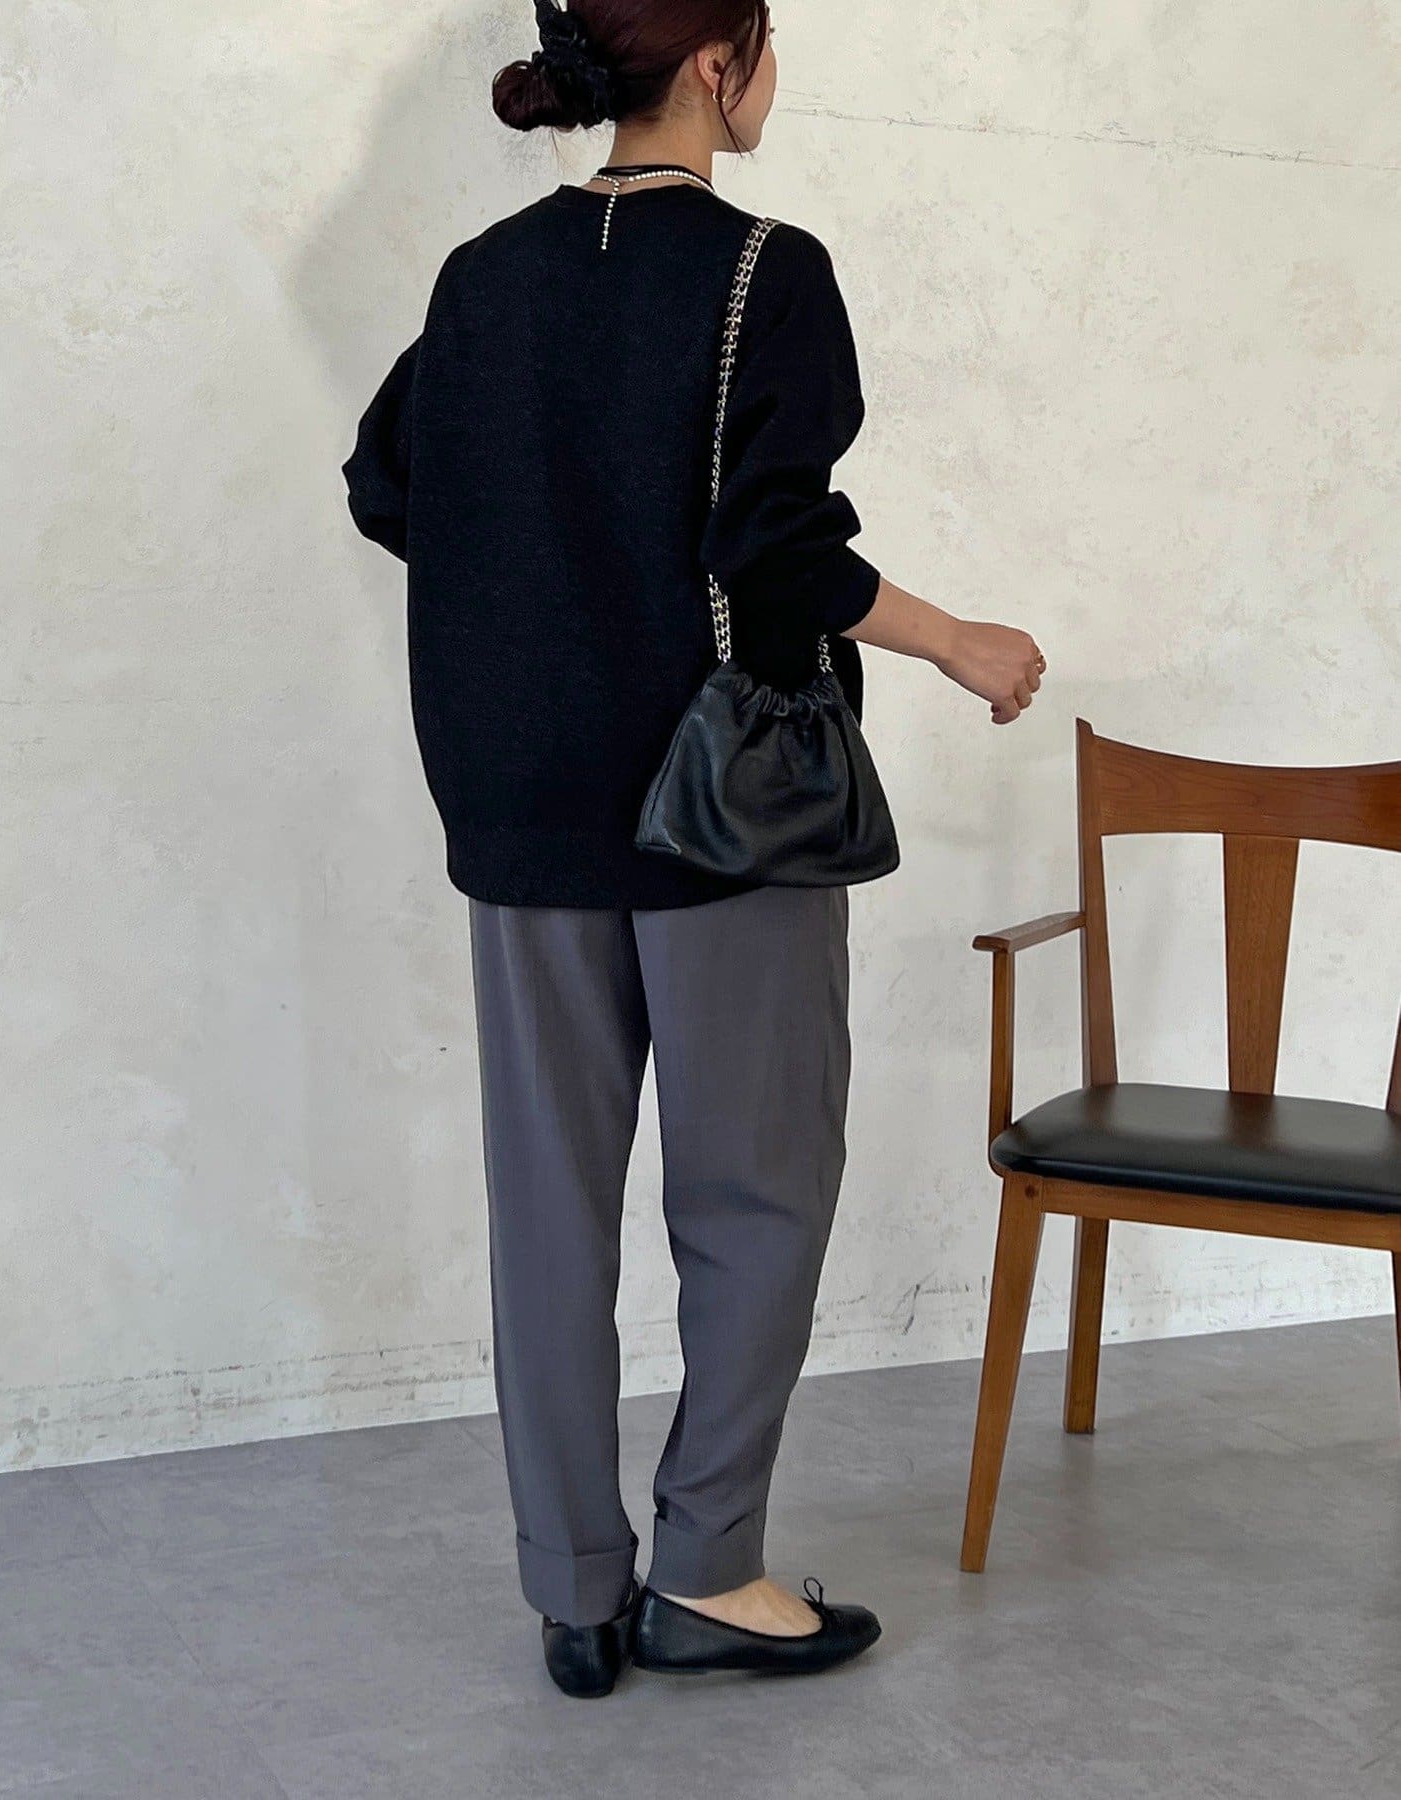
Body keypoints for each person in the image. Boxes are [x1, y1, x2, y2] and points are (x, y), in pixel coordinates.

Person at [342, 0, 1046, 1699]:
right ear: (718, 68)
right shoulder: (765, 272)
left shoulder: (482, 276)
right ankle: (708, 1574)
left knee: (547, 1210)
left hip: (520, 809)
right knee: (755, 1192)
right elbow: (774, 542)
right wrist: (958, 642)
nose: (773, 74)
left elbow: (385, 486)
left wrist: (546, 588)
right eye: (768, 41)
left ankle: (575, 1594)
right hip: (723, 802)